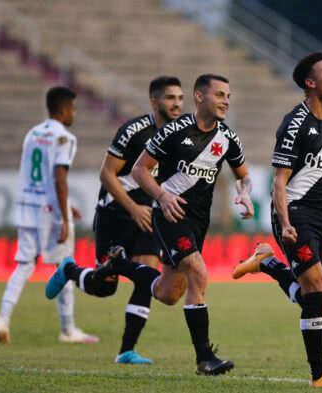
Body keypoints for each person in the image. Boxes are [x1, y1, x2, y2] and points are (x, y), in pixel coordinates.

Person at [92, 73, 254, 376]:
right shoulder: (173, 132)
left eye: (229, 96)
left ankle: (119, 265)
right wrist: (162, 197)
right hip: (169, 214)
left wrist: (244, 193)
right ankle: (204, 357)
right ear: (200, 96)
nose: (226, 102)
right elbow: (140, 170)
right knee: (198, 271)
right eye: (220, 95)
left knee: (168, 293)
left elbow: (243, 174)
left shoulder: (227, 137)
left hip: (198, 221)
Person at [232, 52, 322, 388]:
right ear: (310, 83)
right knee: (316, 290)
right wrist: (285, 223)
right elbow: (279, 180)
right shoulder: (294, 123)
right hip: (294, 211)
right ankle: (319, 374)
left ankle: (268, 264)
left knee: (320, 301)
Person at [45, 76, 184, 364]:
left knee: (148, 274)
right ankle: (69, 270)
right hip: (116, 211)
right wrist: (133, 208)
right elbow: (106, 174)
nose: (177, 104)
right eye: (171, 98)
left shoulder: (180, 135)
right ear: (154, 101)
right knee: (105, 286)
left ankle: (126, 351)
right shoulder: (134, 130)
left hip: (148, 212)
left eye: (180, 98)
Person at [0, 87, 98, 344]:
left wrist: (67, 203)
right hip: (49, 213)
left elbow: (37, 174)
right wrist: (64, 215)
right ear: (63, 110)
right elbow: (59, 178)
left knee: (24, 265)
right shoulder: (64, 138)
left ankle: (2, 319)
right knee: (65, 267)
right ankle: (68, 329)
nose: (74, 113)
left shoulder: (32, 133)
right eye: (73, 108)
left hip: (27, 205)